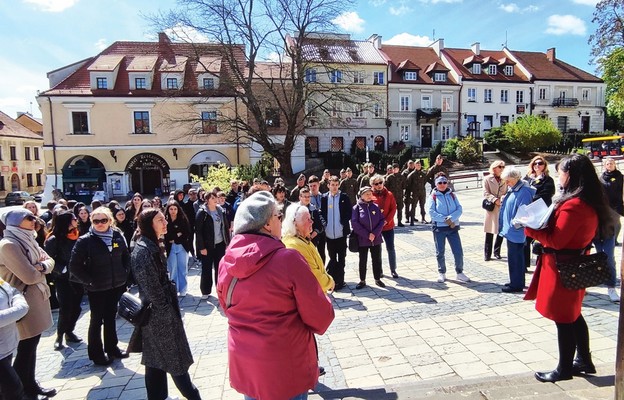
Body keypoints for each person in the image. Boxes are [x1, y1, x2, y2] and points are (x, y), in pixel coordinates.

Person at [217, 191, 335, 400]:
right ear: (267, 225)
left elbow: (227, 308)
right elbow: (321, 317)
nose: (281, 222)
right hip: (285, 365)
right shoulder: (288, 260)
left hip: (247, 364)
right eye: (278, 217)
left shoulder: (226, 262)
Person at [524, 154, 615, 383]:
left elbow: (556, 240)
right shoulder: (584, 199)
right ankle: (583, 359)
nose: (558, 175)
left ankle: (564, 369)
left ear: (571, 175)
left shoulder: (574, 205)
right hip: (572, 264)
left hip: (564, 266)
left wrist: (529, 228)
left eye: (560, 171)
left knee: (564, 318)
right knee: (573, 315)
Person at [130, 209, 202, 400]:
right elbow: (152, 289)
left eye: (164, 219)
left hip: (159, 317)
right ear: (148, 224)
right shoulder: (144, 251)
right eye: (160, 220)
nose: (165, 222)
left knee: (155, 365)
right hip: (159, 320)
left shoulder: (152, 245)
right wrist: (166, 312)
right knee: (175, 364)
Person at [0, 209, 57, 399]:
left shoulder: (28, 238)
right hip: (25, 302)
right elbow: (29, 276)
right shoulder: (9, 245)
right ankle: (24, 390)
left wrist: (40, 266)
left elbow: (50, 261)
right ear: (15, 221)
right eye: (28, 218)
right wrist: (41, 268)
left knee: (32, 346)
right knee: (26, 348)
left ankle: (30, 384)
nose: (34, 220)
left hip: (36, 298)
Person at [69, 207, 130, 366]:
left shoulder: (117, 236)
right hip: (96, 287)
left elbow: (125, 256)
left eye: (104, 220)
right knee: (96, 320)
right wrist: (89, 281)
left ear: (110, 221)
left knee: (111, 317)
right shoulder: (85, 241)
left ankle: (112, 348)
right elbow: (74, 267)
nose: (100, 224)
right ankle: (96, 354)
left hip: (115, 284)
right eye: (96, 221)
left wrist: (125, 273)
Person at [44, 211, 84, 350]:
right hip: (62, 279)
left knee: (77, 307)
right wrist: (63, 269)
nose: (76, 220)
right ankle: (59, 336)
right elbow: (48, 259)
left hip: (78, 278)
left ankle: (69, 331)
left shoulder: (78, 236)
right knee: (65, 308)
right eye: (74, 219)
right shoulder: (53, 239)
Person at [426, 173, 470, 284]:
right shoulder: (433, 196)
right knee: (440, 251)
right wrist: (445, 219)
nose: (442, 185)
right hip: (439, 228)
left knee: (458, 251)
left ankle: (459, 272)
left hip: (453, 227)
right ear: (436, 184)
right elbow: (431, 212)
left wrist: (451, 218)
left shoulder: (452, 195)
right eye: (440, 183)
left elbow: (459, 208)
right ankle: (442, 272)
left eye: (444, 182)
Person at [282, 205, 334, 293]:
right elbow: (314, 276)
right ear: (295, 224)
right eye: (307, 219)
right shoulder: (295, 245)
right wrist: (330, 282)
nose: (312, 222)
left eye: (311, 218)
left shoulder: (303, 239)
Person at [499, 167, 534, 293]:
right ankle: (516, 280)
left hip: (516, 230)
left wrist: (514, 224)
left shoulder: (523, 191)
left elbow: (523, 212)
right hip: (512, 230)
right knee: (514, 257)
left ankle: (516, 284)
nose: (506, 183)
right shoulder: (514, 188)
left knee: (516, 258)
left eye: (508, 181)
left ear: (515, 178)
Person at [595, 157, 622, 302]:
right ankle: (602, 277)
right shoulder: (600, 180)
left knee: (609, 256)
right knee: (599, 255)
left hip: (611, 220)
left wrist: (616, 211)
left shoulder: (620, 177)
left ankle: (611, 286)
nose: (609, 165)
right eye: (607, 163)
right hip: (596, 227)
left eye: (611, 163)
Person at [522, 156, 556, 271]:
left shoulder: (548, 180)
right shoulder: (527, 179)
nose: (537, 165)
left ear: (544, 165)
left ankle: (539, 264)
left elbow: (547, 194)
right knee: (525, 239)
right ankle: (524, 264)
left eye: (540, 163)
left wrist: (531, 198)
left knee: (540, 239)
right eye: (535, 163)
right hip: (528, 213)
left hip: (541, 213)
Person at [195, 192, 230, 299]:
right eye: (213, 198)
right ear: (207, 200)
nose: (216, 200)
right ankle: (205, 291)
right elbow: (198, 232)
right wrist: (201, 247)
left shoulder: (220, 211)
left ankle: (220, 290)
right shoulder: (202, 212)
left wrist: (227, 243)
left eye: (216, 197)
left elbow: (225, 228)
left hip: (220, 244)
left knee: (220, 268)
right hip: (207, 245)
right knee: (206, 268)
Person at [321, 176, 352, 291]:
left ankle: (341, 280)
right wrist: (325, 224)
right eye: (332, 185)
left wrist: (343, 223)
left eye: (336, 184)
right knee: (332, 258)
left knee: (342, 258)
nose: (334, 187)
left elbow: (349, 212)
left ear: (339, 185)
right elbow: (322, 213)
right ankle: (333, 280)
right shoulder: (324, 198)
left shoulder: (344, 197)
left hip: (341, 233)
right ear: (328, 185)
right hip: (329, 234)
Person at [0, 279, 29, 400]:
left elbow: (13, 291)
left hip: (6, 345)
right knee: (14, 390)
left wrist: (20, 306)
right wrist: (20, 309)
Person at [352, 186, 386, 289]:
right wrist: (367, 235)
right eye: (366, 194)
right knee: (363, 260)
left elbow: (381, 221)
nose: (369, 196)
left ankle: (377, 279)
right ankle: (362, 280)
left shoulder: (375, 206)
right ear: (361, 195)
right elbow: (355, 224)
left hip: (376, 239)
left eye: (370, 194)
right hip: (363, 239)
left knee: (376, 259)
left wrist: (374, 234)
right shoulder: (356, 208)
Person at [371, 175, 398, 278]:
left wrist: (387, 220)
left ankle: (393, 269)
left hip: (388, 226)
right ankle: (379, 271)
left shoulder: (389, 194)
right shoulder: (370, 195)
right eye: (376, 184)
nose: (379, 186)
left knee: (390, 248)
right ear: (372, 185)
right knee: (378, 250)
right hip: (376, 227)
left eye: (380, 183)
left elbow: (393, 208)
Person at [164, 200, 192, 297]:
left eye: (175, 209)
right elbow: (166, 235)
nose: (173, 211)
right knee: (173, 268)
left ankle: (183, 289)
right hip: (170, 247)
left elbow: (186, 233)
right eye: (171, 209)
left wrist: (175, 237)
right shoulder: (165, 221)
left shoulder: (183, 219)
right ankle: (174, 289)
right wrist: (177, 234)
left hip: (182, 246)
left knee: (183, 268)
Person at [483, 160, 508, 261]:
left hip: (502, 206)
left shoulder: (505, 179)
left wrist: (502, 199)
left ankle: (497, 251)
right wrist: (495, 200)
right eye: (500, 167)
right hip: (492, 207)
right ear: (494, 168)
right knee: (489, 231)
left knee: (500, 230)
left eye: (503, 167)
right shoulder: (487, 179)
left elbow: (508, 190)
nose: (502, 169)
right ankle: (487, 254)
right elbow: (485, 192)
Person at [406, 160, 428, 225]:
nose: (419, 166)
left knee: (422, 206)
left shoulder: (423, 174)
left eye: (419, 165)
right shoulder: (412, 175)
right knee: (413, 206)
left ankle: (423, 218)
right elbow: (408, 184)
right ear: (415, 166)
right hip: (415, 193)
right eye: (417, 165)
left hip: (422, 192)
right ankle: (412, 220)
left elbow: (424, 181)